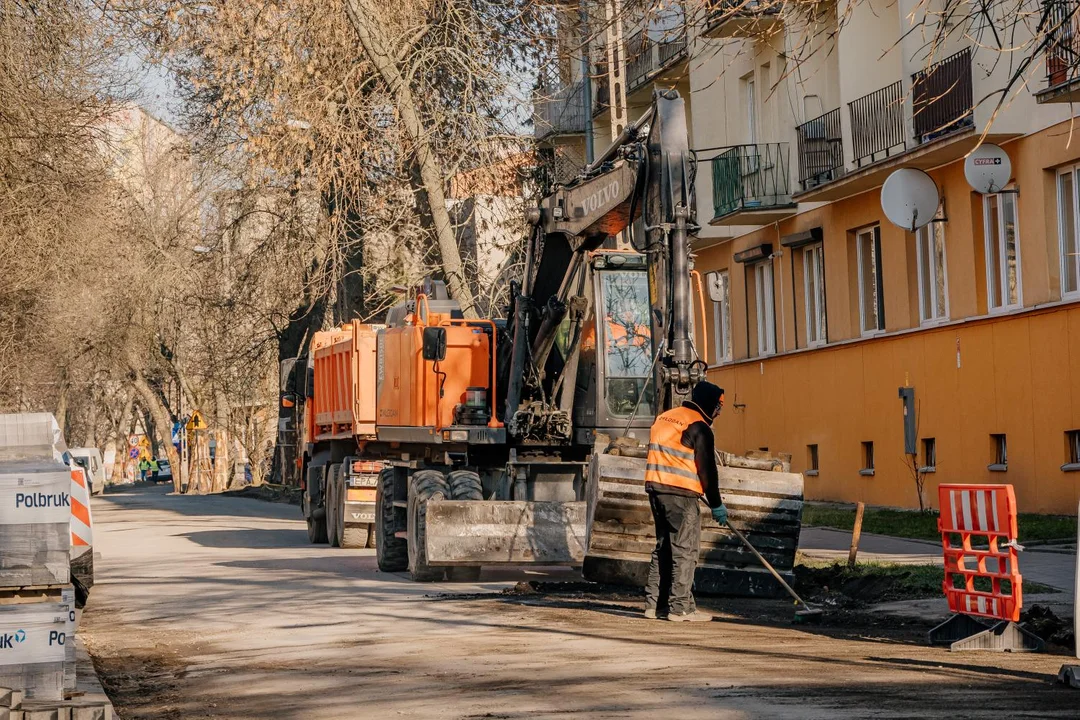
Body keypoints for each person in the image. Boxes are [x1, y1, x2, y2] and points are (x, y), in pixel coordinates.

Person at [643, 381, 728, 621]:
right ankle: (680, 609)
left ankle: (654, 605)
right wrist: (716, 504)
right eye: (719, 405)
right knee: (686, 550)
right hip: (682, 495)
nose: (719, 411)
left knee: (664, 548)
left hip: (656, 489)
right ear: (709, 402)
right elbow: (707, 471)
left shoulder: (664, 418)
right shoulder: (699, 427)